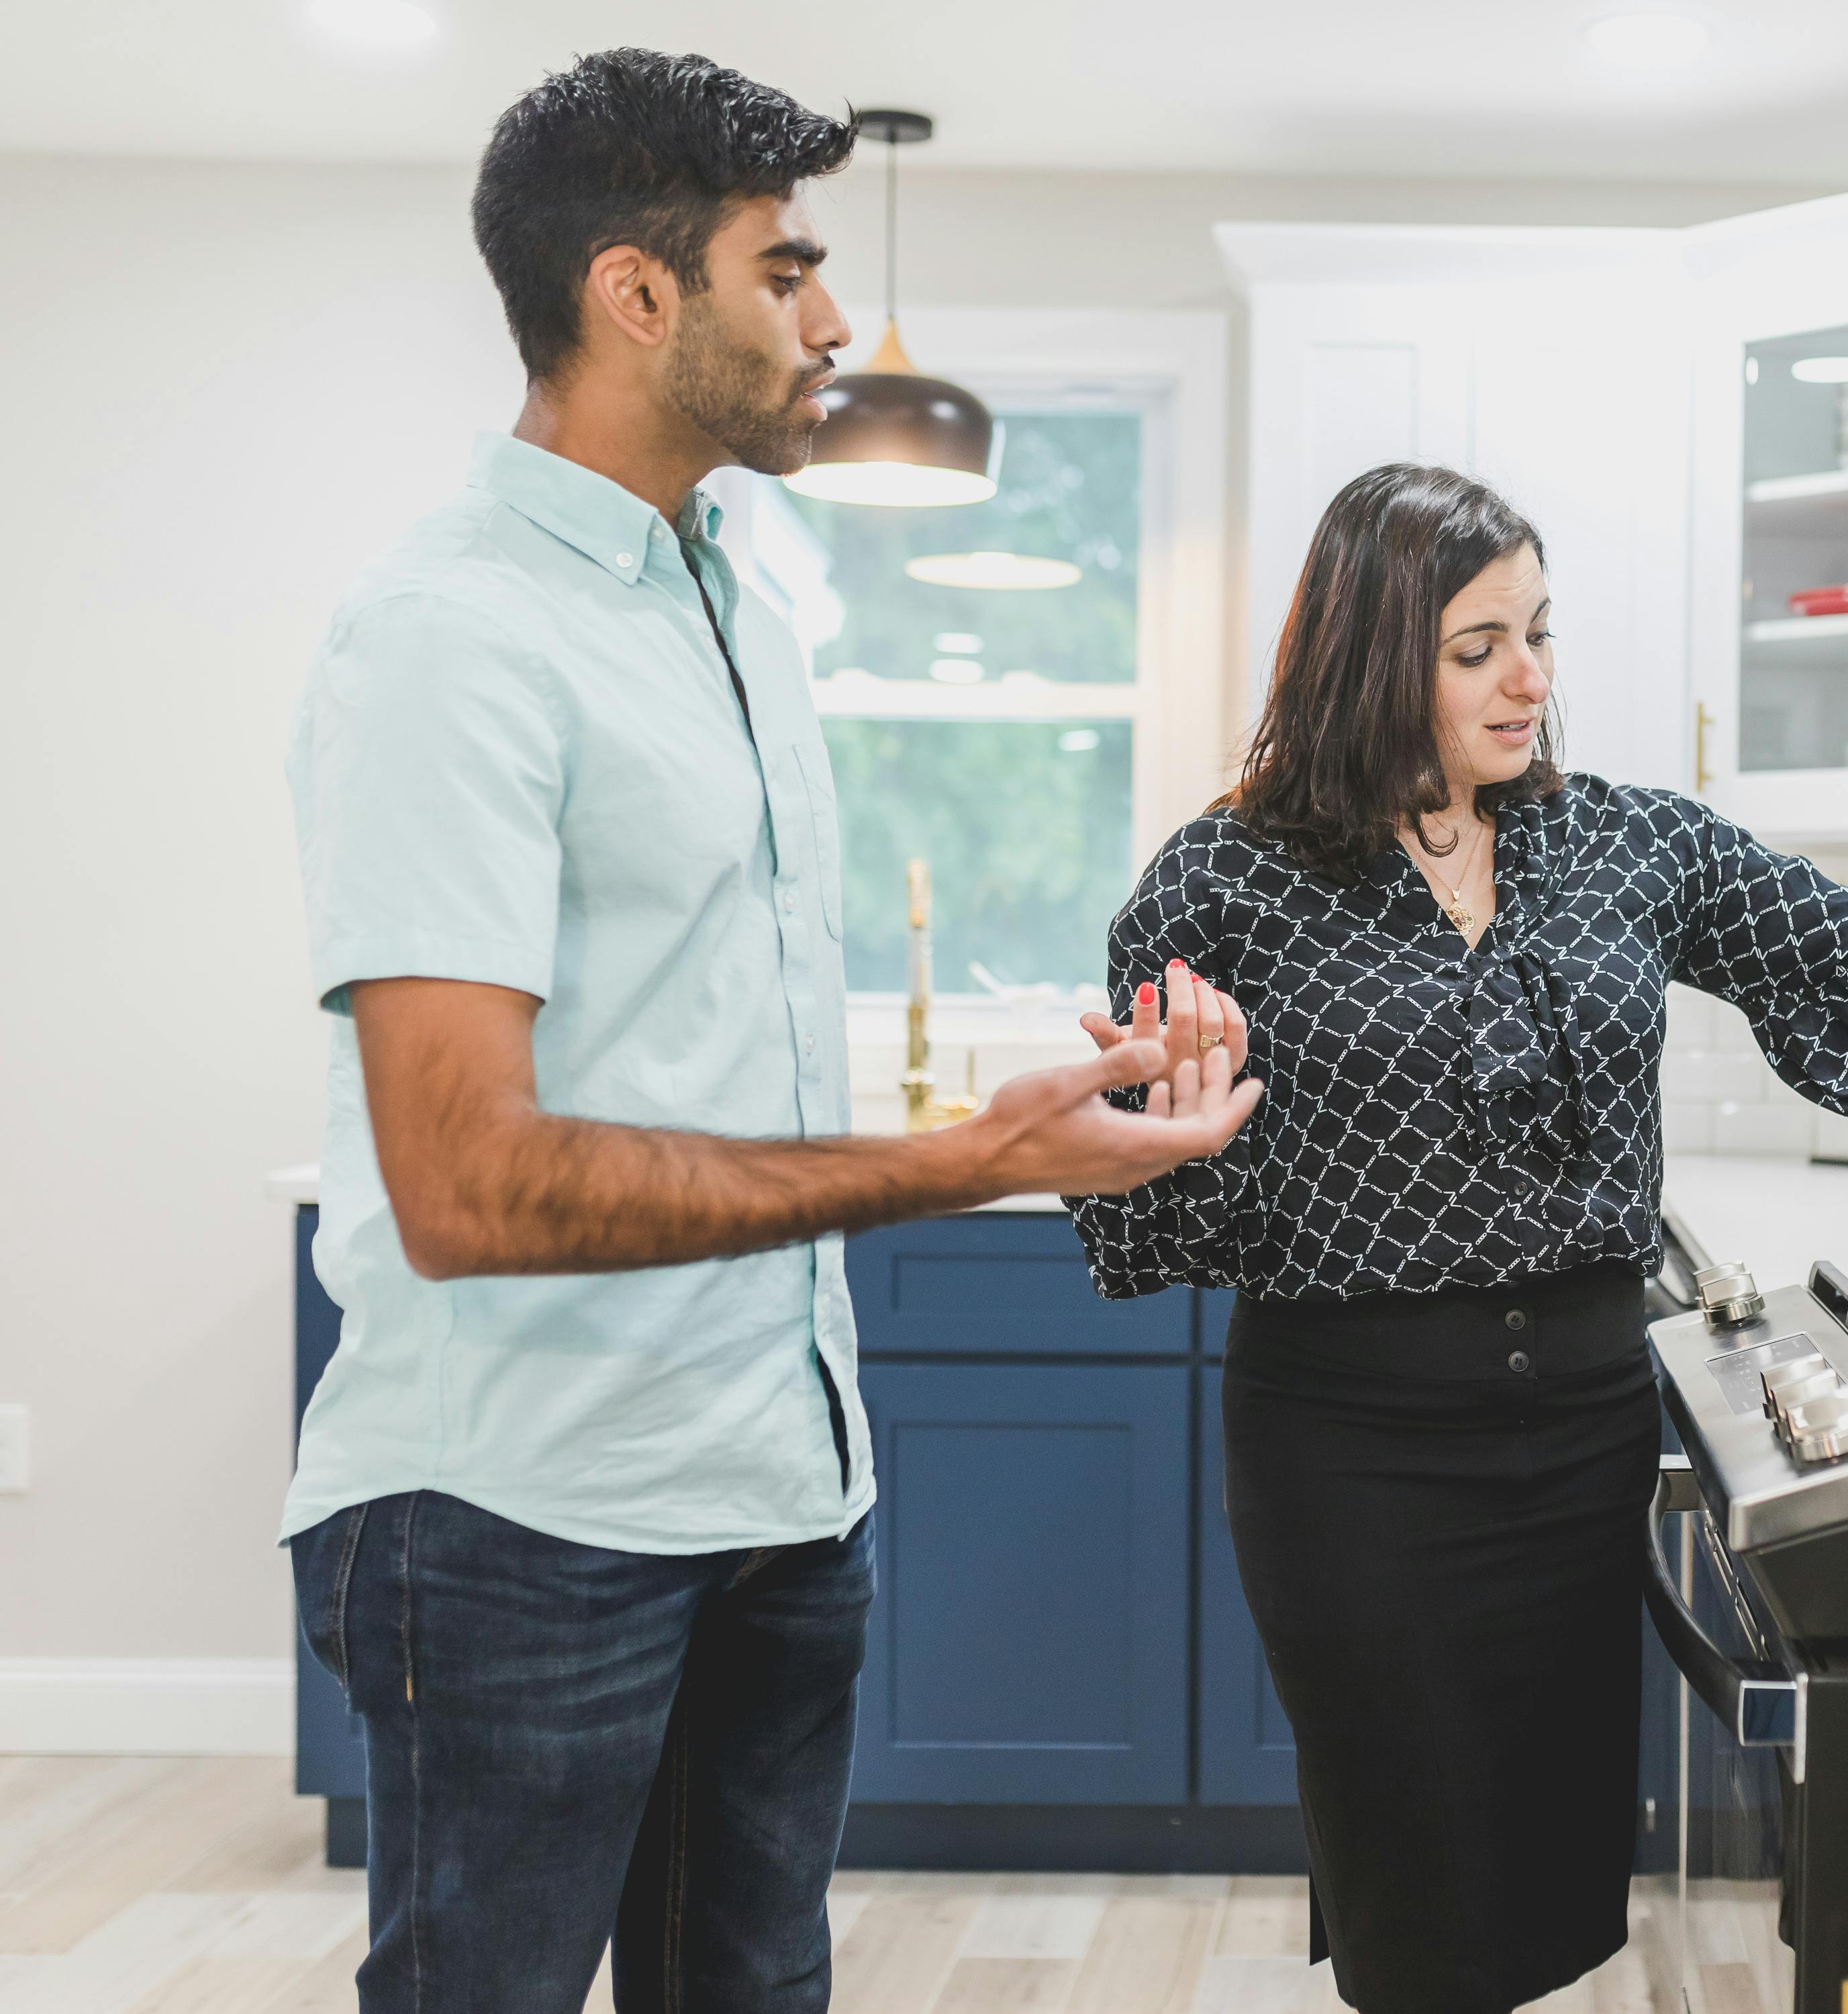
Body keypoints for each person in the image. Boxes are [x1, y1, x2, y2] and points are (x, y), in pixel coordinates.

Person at [1065, 461, 1848, 2014]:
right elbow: (1142, 1221)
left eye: (1538, 633)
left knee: (1538, 1896)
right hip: (1352, 1457)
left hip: (1580, 1438)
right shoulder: (1225, 880)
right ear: (1367, 652)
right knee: (1418, 1901)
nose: (1531, 678)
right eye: (1478, 648)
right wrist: (1167, 1113)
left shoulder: (1628, 846)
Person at [281, 51, 1258, 2014]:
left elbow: (703, 1042)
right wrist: (967, 1159)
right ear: (637, 296)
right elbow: (465, 1181)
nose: (830, 321)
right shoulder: (452, 638)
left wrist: (1029, 1107)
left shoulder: (731, 609)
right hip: (518, 1516)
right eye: (784, 269)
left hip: (781, 1491)